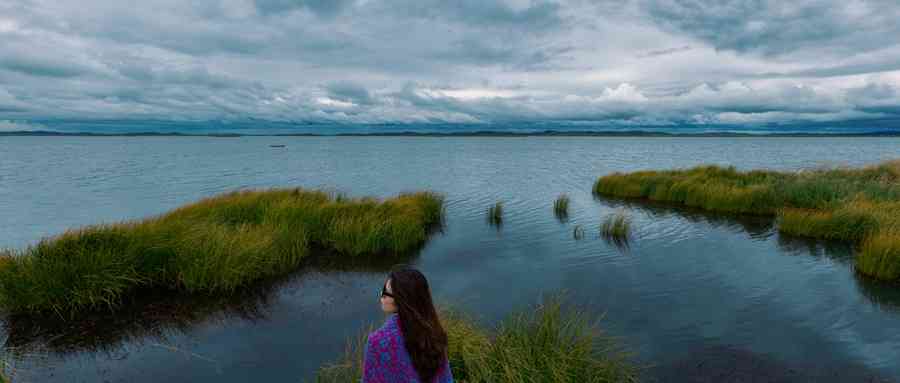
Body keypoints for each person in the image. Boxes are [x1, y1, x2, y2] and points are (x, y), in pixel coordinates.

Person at [362, 266, 453, 383]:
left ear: (402, 300)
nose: (381, 294)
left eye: (386, 292)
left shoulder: (378, 342)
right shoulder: (434, 335)